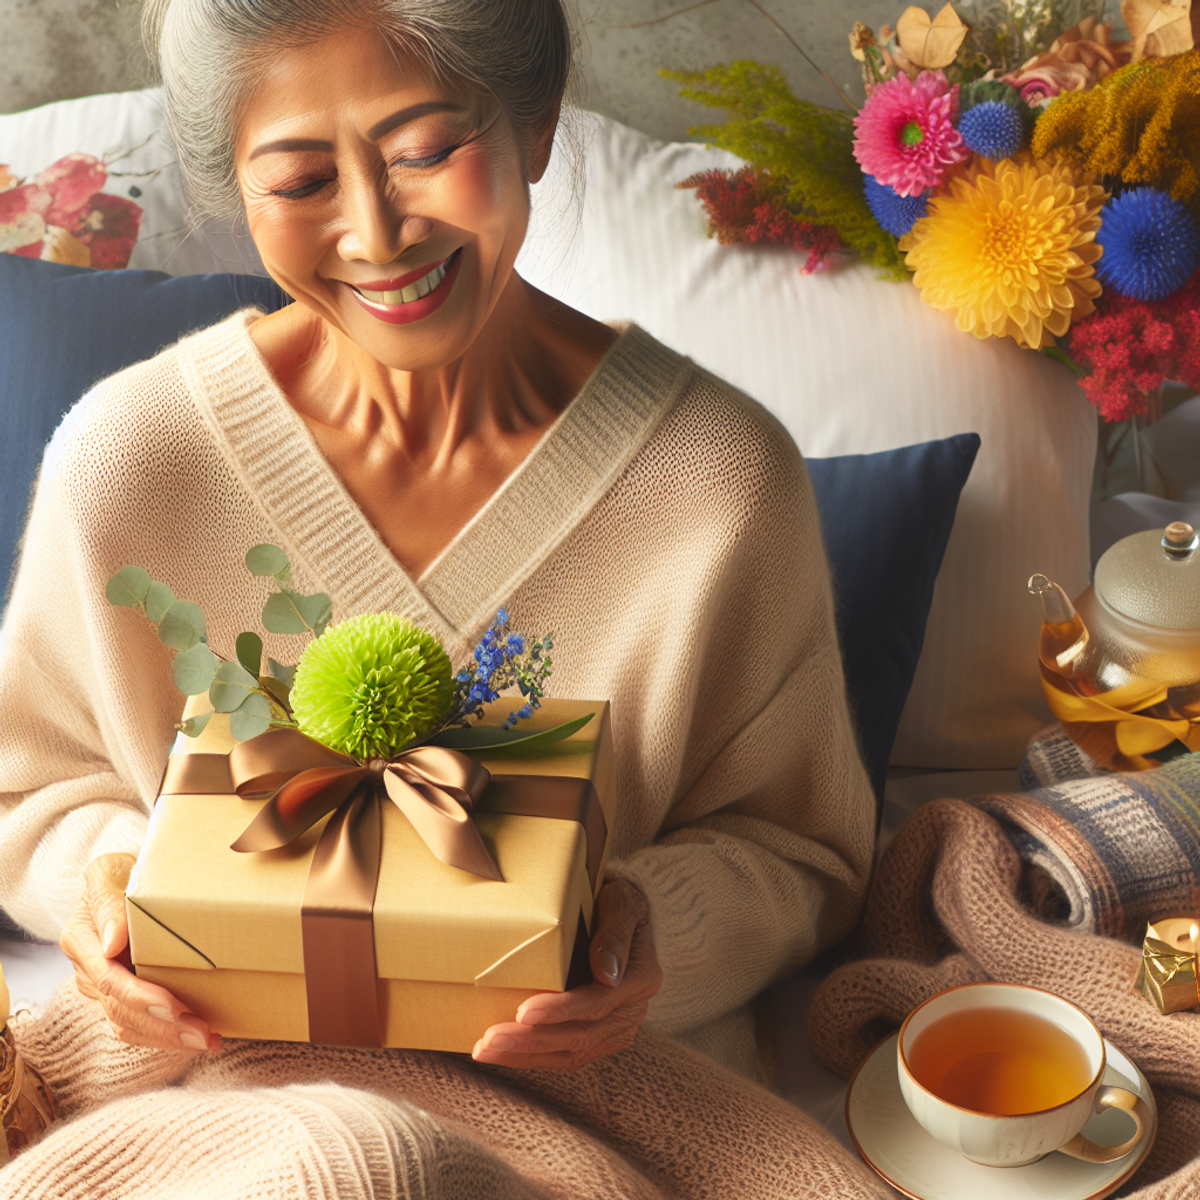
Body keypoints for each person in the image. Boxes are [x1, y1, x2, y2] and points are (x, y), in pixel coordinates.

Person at [0, 1, 880, 1195]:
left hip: (598, 1112)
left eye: (424, 151)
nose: (375, 233)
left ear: (536, 123)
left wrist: (641, 930)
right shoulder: (130, 460)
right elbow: (34, 791)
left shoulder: (719, 482)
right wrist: (113, 882)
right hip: (233, 1117)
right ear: (241, 195)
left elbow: (804, 856)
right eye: (302, 178)